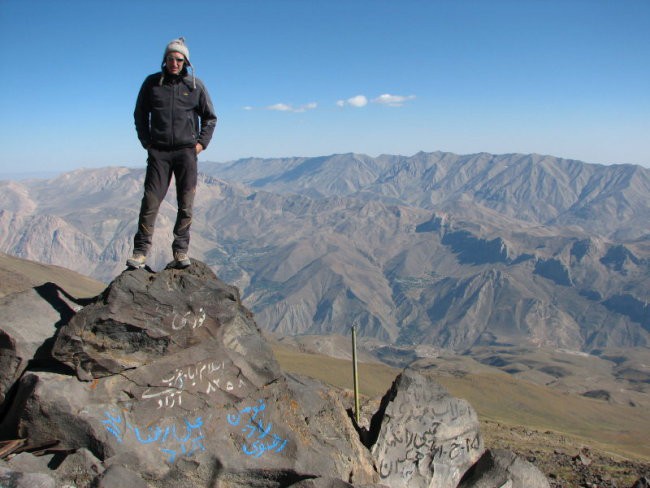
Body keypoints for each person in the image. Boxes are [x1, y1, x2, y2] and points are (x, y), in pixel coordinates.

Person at [127, 37, 217, 269]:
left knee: (186, 204)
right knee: (150, 201)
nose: (174, 62)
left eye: (178, 59)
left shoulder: (195, 86)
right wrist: (146, 142)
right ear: (164, 60)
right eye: (170, 58)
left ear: (185, 61)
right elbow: (140, 114)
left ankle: (180, 251)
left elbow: (210, 118)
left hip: (186, 154)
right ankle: (140, 251)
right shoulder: (152, 84)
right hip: (159, 154)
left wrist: (200, 145)